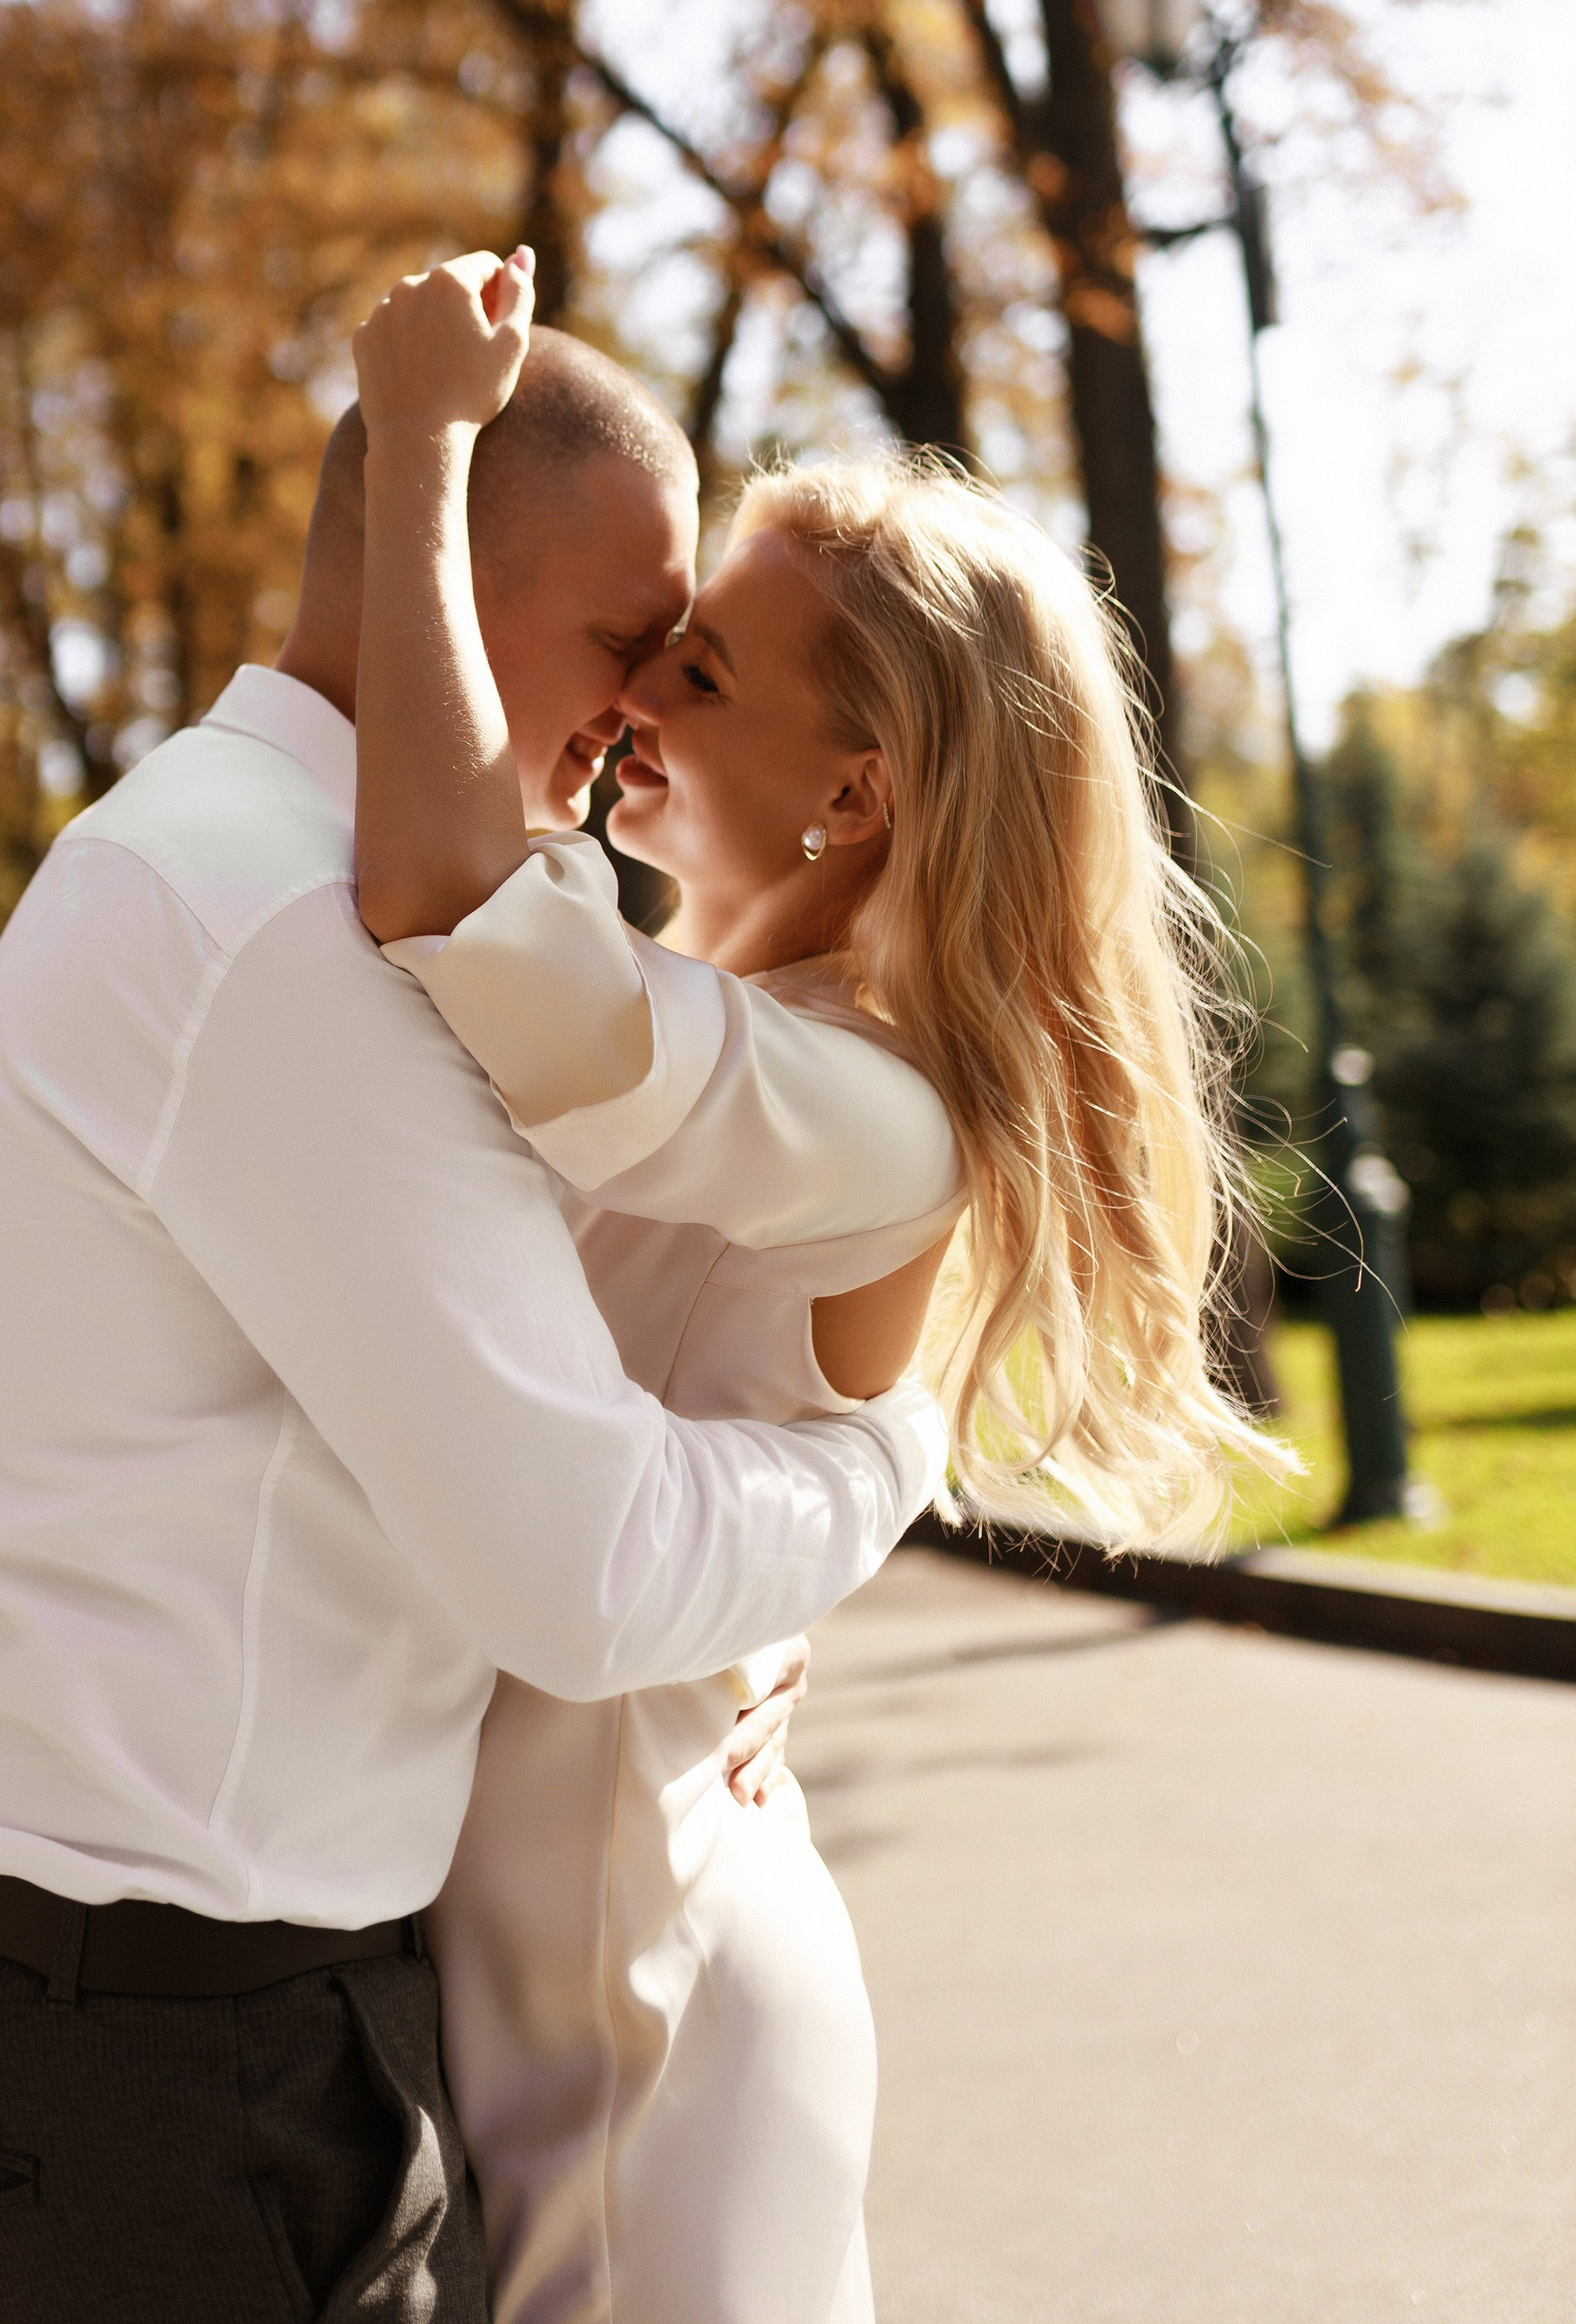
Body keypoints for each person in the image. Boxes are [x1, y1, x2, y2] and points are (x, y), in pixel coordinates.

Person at [0, 298, 951, 2324]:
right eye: (630, 644)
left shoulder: (213, 848)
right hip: (164, 2041)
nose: (634, 721)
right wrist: (873, 1469)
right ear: (438, 570)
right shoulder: (293, 934)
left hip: (154, 1992)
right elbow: (586, 1574)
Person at [348, 248, 1287, 2324]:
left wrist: (417, 450)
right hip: (565, 1944)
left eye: (691, 674)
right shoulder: (723, 1009)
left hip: (642, 1999)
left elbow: (430, 894)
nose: (626, 698)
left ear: (854, 794)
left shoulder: (866, 1103)